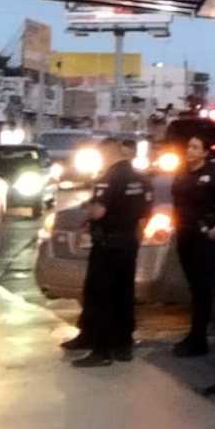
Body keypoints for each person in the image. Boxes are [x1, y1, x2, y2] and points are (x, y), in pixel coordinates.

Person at [64, 151, 154, 369]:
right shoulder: (141, 178)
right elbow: (146, 212)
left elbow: (99, 211)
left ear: (108, 154)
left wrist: (87, 209)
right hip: (128, 241)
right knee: (124, 293)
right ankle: (122, 344)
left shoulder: (108, 178)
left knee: (100, 295)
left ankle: (101, 350)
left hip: (107, 244)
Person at [170, 134, 215, 357]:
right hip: (184, 234)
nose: (189, 150)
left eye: (195, 147)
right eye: (189, 146)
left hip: (204, 237)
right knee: (194, 287)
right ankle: (194, 334)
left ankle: (199, 340)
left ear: (205, 152)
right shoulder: (182, 173)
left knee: (202, 287)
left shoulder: (214, 173)